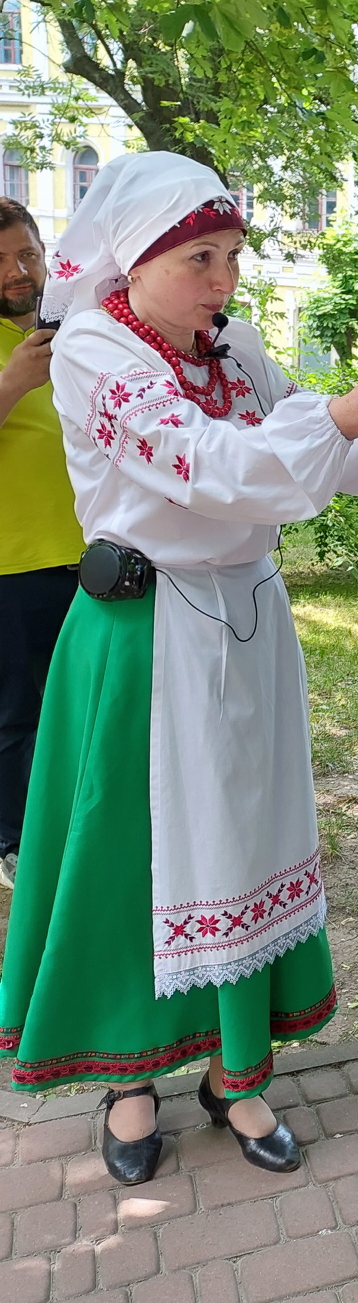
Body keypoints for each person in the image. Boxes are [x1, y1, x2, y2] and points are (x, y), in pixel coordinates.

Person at [0, 151, 358, 1187]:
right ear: (135, 261)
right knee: (133, 853)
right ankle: (131, 1076)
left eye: (233, 254)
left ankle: (239, 1074)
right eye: (201, 256)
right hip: (142, 640)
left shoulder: (230, 349)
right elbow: (215, 469)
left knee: (241, 844)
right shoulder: (96, 352)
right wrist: (349, 414)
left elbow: (327, 450)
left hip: (243, 627)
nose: (224, 279)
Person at [0, 197, 83, 891]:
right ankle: (17, 845)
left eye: (26, 253)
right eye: (0, 261)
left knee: (84, 709)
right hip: (10, 566)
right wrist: (11, 382)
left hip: (95, 561)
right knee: (15, 718)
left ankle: (79, 835)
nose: (17, 272)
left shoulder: (79, 335)